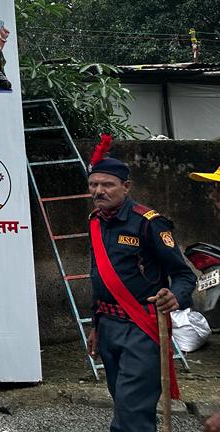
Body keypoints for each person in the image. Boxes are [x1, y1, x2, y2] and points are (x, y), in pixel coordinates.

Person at [85, 135, 196, 432]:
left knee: (132, 415)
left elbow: (184, 275)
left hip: (142, 329)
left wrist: (176, 296)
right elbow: (99, 278)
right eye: (94, 185)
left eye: (107, 185)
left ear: (126, 187)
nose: (99, 191)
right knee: (122, 402)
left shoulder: (148, 223)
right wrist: (96, 326)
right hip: (108, 327)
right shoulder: (95, 222)